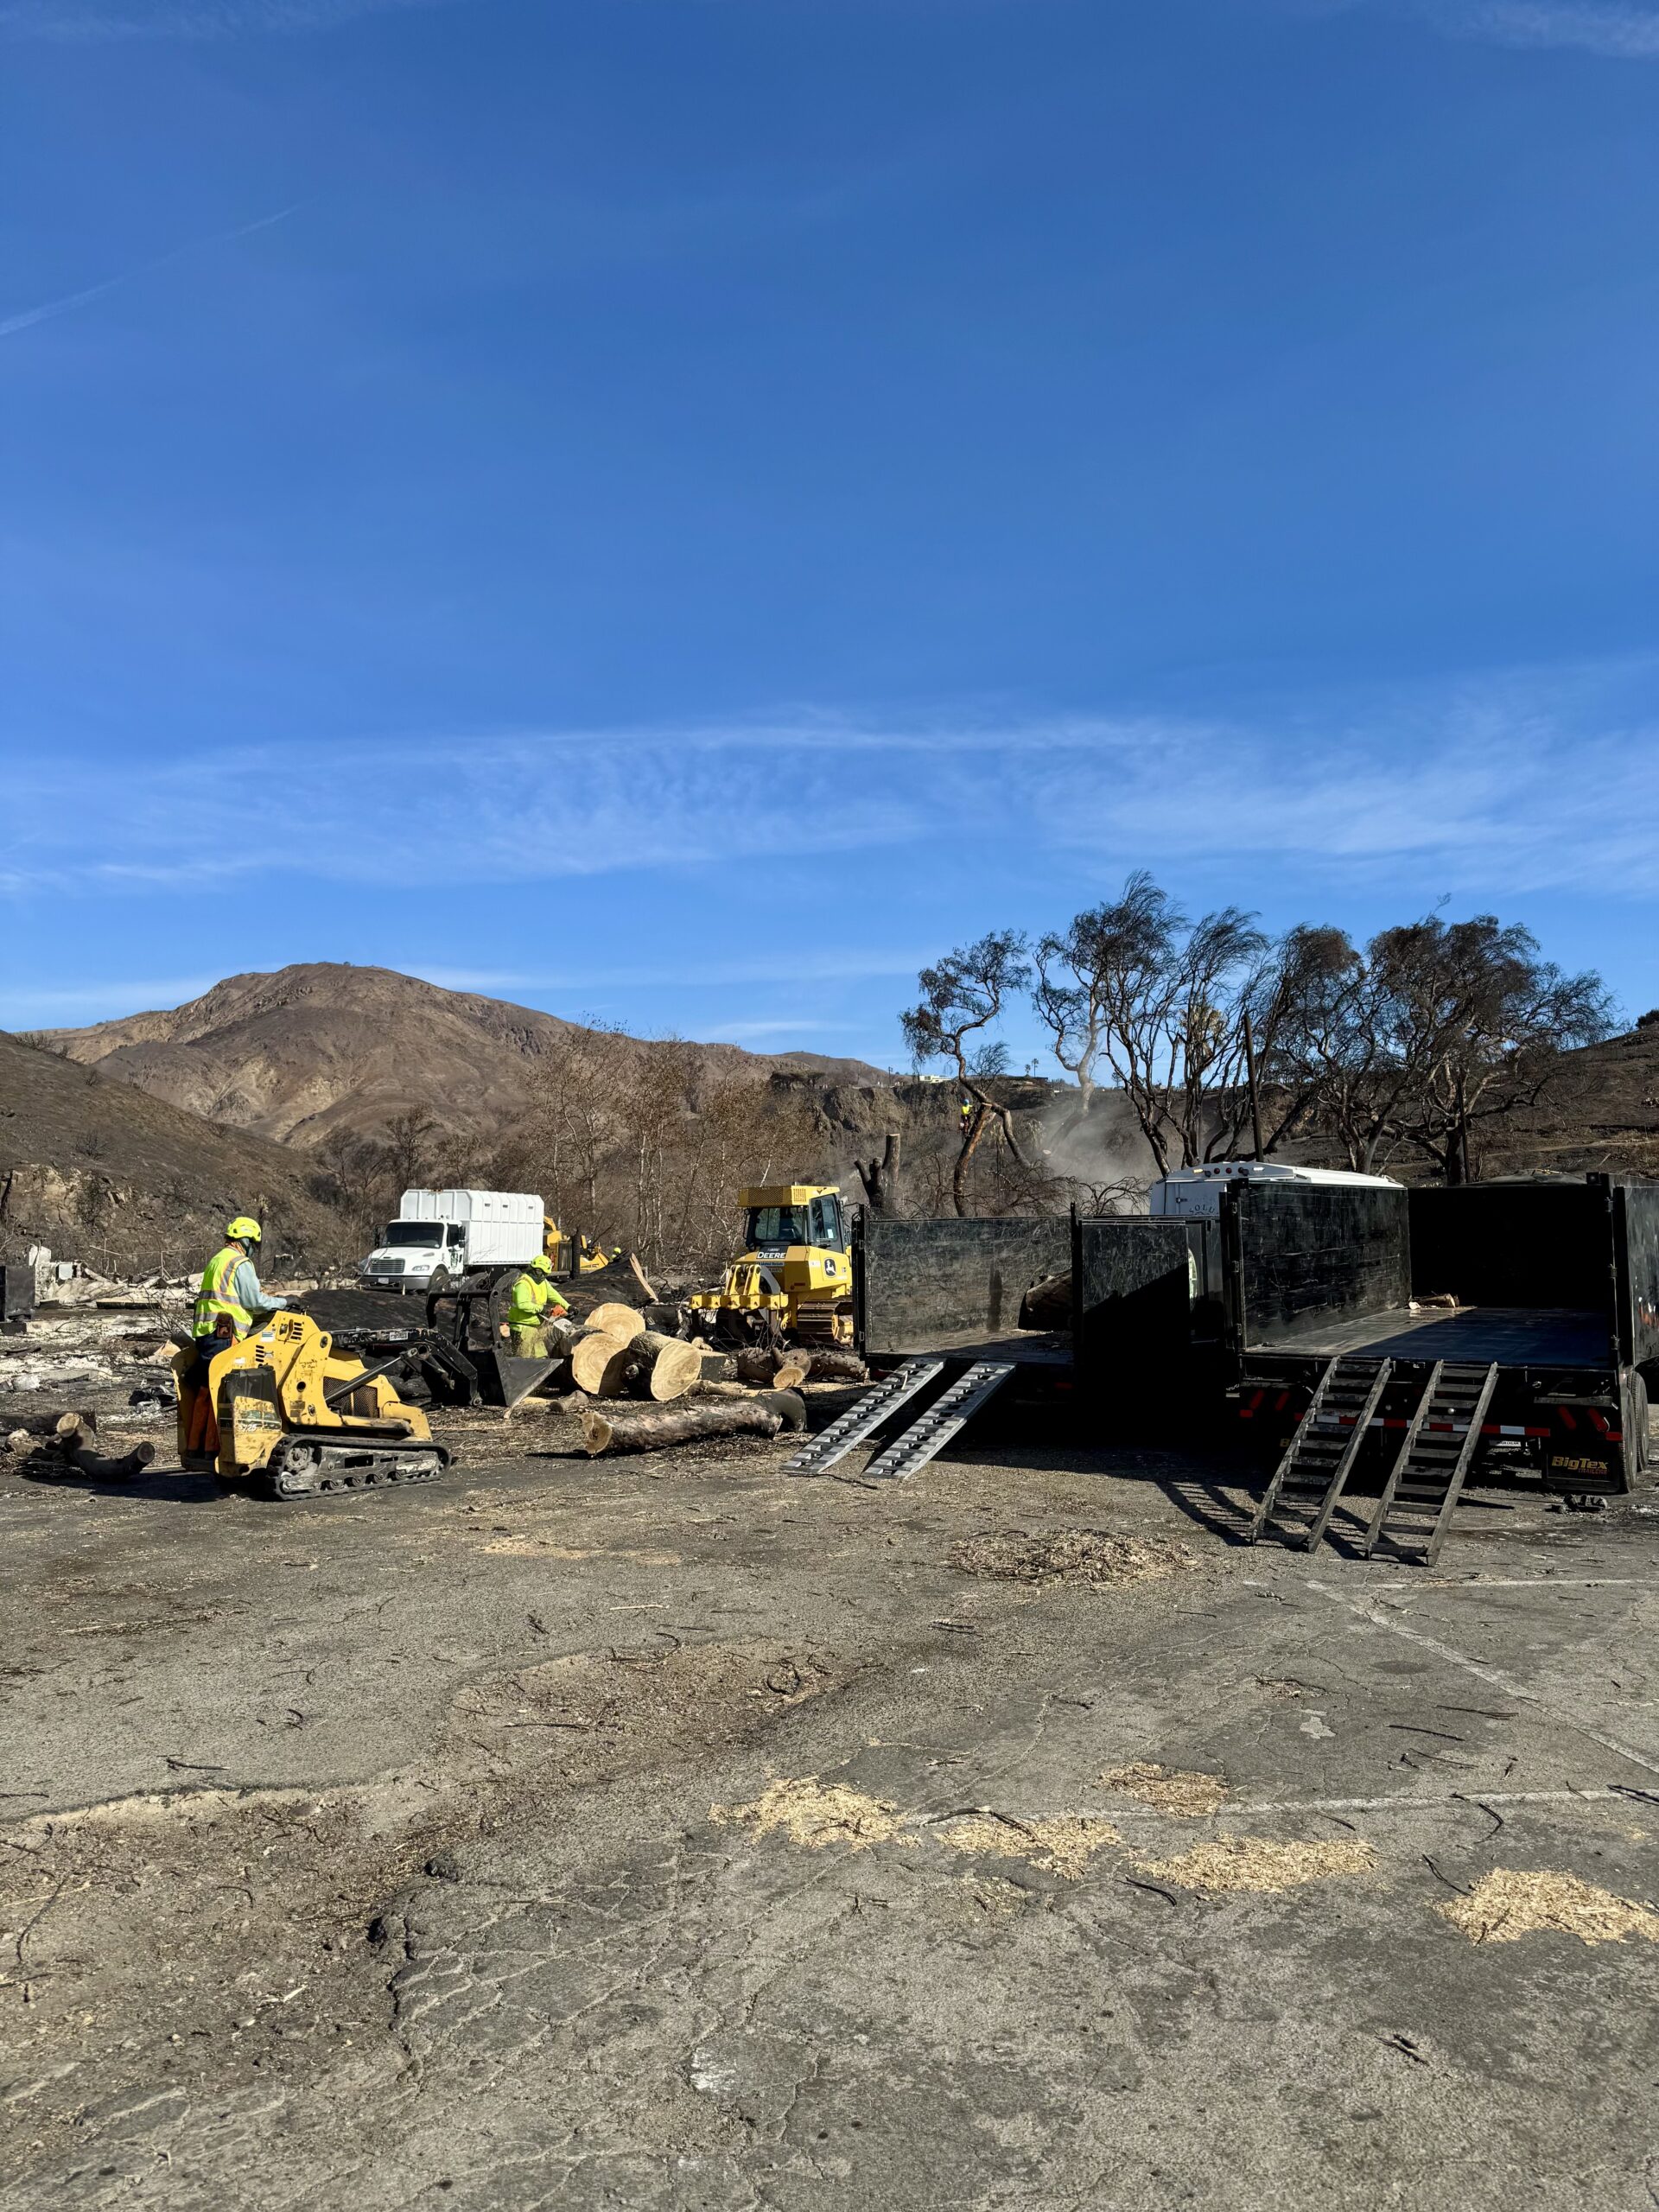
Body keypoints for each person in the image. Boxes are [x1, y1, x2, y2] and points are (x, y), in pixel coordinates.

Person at [187, 1216, 289, 1459]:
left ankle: (195, 1447)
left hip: (206, 1333)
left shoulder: (218, 1259)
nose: (254, 1248)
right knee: (220, 1391)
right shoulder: (240, 1262)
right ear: (247, 1240)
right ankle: (214, 1450)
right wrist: (284, 1302)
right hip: (225, 1334)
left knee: (204, 1390)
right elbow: (253, 1301)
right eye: (254, 1243)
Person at [505, 1252, 569, 1357]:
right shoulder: (523, 1283)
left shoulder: (543, 1282)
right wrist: (541, 1309)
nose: (542, 1275)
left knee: (541, 1357)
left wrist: (568, 1306)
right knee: (525, 1359)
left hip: (535, 1327)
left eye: (544, 1273)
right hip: (522, 1328)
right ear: (533, 1269)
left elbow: (553, 1295)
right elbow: (522, 1304)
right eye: (539, 1272)